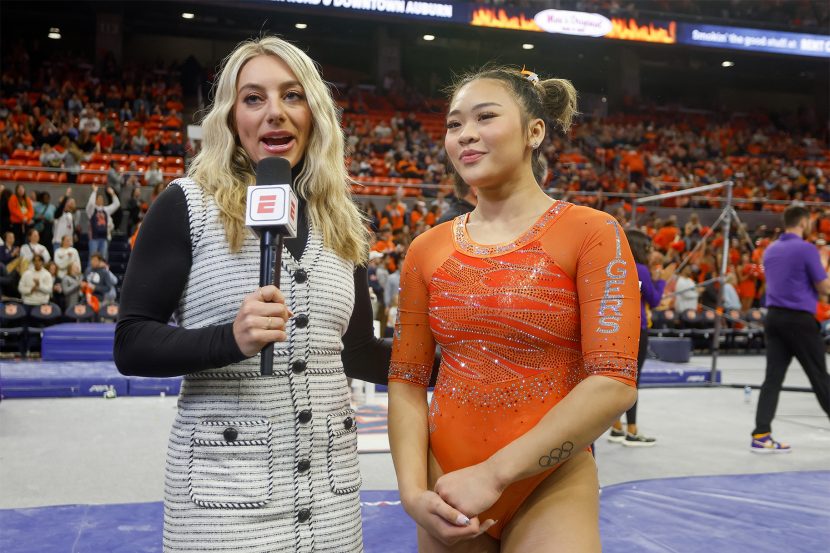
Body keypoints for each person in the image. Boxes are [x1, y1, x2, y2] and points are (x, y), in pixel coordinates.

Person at [113, 36, 392, 552]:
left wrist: (461, 363)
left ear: (315, 111)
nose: (275, 114)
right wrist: (230, 339)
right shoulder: (185, 205)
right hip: (222, 507)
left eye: (292, 95)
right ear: (231, 116)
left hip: (331, 504)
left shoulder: (345, 222)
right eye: (254, 98)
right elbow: (131, 343)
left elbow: (356, 353)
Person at [387, 66, 639, 552]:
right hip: (448, 481)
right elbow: (406, 379)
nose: (466, 135)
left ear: (534, 131)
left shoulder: (592, 232)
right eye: (454, 124)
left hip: (549, 480)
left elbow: (613, 381)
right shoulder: (427, 248)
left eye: (485, 117)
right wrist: (412, 492)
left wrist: (496, 474)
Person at [752, 205, 830, 452]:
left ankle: (761, 434)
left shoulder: (771, 249)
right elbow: (824, 287)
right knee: (820, 377)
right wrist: (825, 264)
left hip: (774, 318)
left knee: (772, 379)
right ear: (804, 221)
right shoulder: (806, 249)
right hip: (799, 320)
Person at [609, 230, 675, 447]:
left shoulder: (616, 265)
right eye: (648, 248)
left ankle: (616, 426)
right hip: (637, 328)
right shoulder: (640, 269)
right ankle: (632, 431)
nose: (651, 252)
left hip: (616, 328)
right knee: (632, 381)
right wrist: (663, 281)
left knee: (618, 378)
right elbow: (654, 300)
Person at [85, 184, 120, 263]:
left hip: (104, 238)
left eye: (102, 199)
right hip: (94, 238)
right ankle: (90, 274)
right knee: (92, 258)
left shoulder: (106, 210)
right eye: (99, 199)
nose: (100, 200)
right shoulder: (91, 211)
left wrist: (112, 193)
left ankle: (102, 274)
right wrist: (94, 192)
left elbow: (117, 204)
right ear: (96, 200)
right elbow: (90, 204)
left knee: (103, 259)